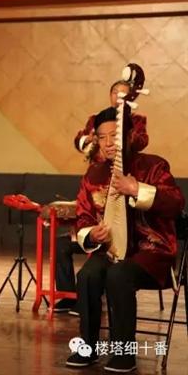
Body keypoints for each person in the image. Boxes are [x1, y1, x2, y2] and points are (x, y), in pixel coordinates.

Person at [65, 107, 184, 372]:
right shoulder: (93, 175)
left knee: (118, 275)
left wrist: (136, 188)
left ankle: (123, 353)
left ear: (128, 135)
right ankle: (88, 347)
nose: (108, 143)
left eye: (114, 136)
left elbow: (176, 203)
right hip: (112, 250)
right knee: (88, 275)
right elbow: (83, 217)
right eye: (102, 137)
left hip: (152, 252)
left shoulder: (153, 166)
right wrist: (91, 234)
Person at [55, 80, 151, 314]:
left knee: (113, 263)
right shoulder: (97, 120)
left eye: (124, 95)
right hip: (97, 182)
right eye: (116, 94)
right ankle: (71, 298)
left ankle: (105, 291)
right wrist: (89, 141)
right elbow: (79, 140)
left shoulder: (136, 122)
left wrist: (123, 132)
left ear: (132, 98)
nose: (119, 98)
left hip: (123, 191)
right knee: (66, 246)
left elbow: (140, 142)